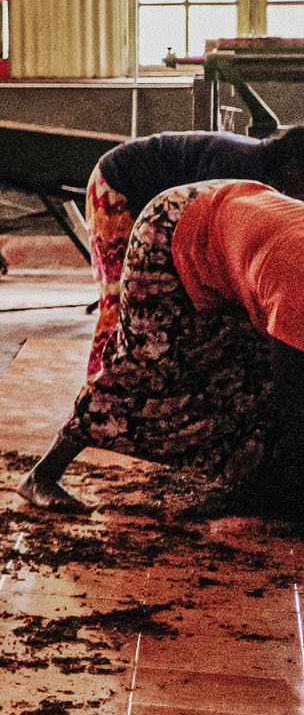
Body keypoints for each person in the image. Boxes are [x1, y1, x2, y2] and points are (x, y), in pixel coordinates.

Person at [25, 178, 304, 511]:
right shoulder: (297, 290)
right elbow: (294, 403)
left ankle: (257, 481)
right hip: (169, 228)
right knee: (146, 365)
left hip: (241, 215)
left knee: (250, 371)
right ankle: (42, 475)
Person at [79, 129, 304, 368]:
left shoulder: (264, 167)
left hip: (151, 198)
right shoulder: (239, 168)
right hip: (117, 184)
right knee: (117, 304)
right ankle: (98, 386)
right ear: (293, 170)